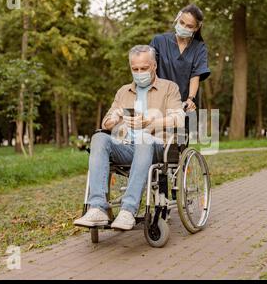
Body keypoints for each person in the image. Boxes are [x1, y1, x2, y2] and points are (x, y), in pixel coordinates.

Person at [73, 45, 185, 231]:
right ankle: (98, 208)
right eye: (135, 69)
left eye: (144, 68)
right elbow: (106, 122)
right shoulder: (123, 92)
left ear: (154, 66)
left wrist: (151, 122)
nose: (139, 73)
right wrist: (113, 119)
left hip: (158, 148)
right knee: (99, 138)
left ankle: (128, 211)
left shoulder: (169, 88)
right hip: (127, 148)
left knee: (144, 139)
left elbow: (179, 119)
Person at [150, 4, 211, 111]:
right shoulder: (159, 41)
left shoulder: (199, 48)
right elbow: (148, 68)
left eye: (189, 26)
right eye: (182, 23)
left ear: (196, 28)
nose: (184, 27)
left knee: (184, 127)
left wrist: (190, 98)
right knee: (156, 126)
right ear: (178, 18)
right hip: (157, 103)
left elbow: (195, 75)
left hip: (183, 106)